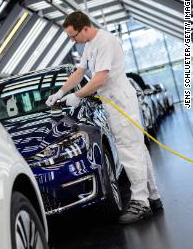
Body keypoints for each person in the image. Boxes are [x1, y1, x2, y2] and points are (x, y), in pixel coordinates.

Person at [45, 11, 163, 224]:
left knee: (129, 151)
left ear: (85, 28)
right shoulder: (89, 45)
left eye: (73, 36)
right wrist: (61, 92)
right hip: (115, 103)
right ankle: (153, 197)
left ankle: (141, 203)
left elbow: (100, 79)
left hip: (120, 103)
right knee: (139, 149)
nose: (72, 41)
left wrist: (77, 95)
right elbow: (80, 72)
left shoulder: (105, 42)